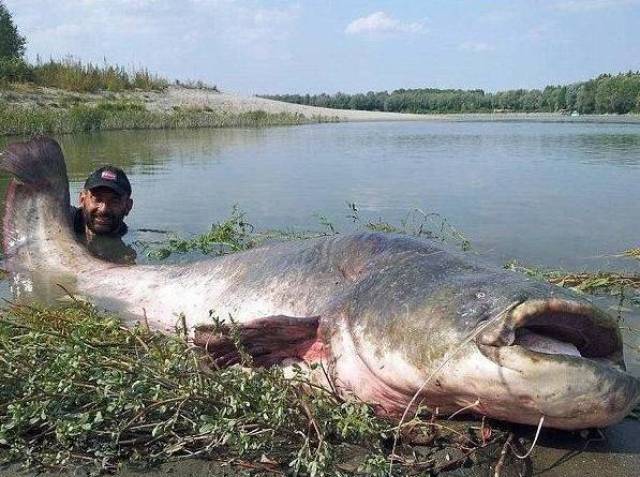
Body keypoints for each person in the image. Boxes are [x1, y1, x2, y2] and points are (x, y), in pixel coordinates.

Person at [72, 165, 137, 264]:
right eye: (97, 199)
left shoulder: (132, 239)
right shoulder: (62, 220)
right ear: (82, 200)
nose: (104, 209)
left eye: (114, 201)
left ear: (128, 206)